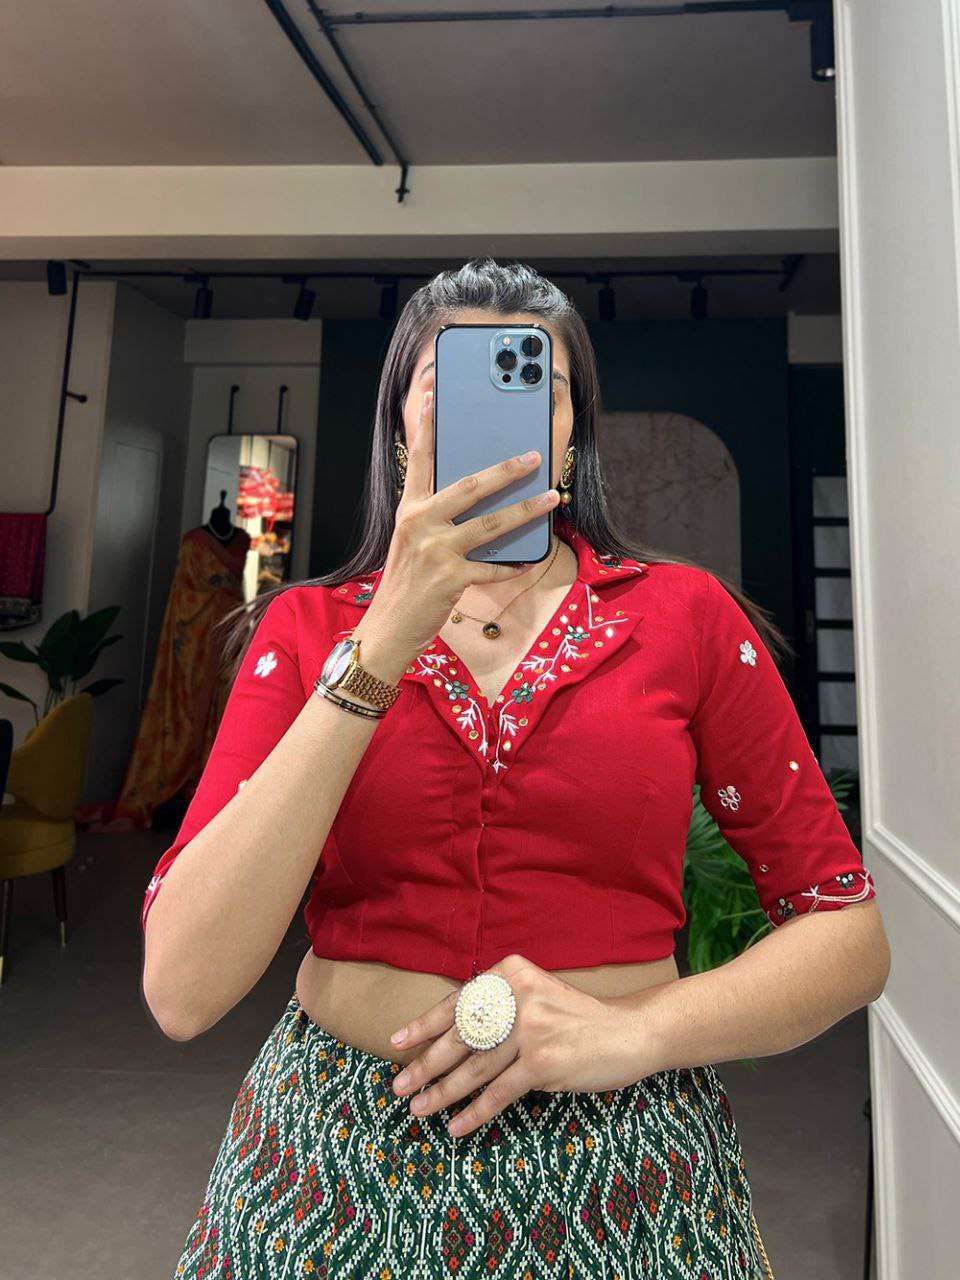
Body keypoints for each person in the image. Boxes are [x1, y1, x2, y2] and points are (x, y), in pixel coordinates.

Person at [141, 259, 890, 1280]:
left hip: (628, 1159)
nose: (503, 413)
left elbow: (848, 937)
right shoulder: (308, 629)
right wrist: (384, 638)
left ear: (576, 433)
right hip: (338, 1152)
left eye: (542, 383)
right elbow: (183, 988)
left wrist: (638, 1034)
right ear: (399, 424)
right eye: (448, 383)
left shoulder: (685, 618)